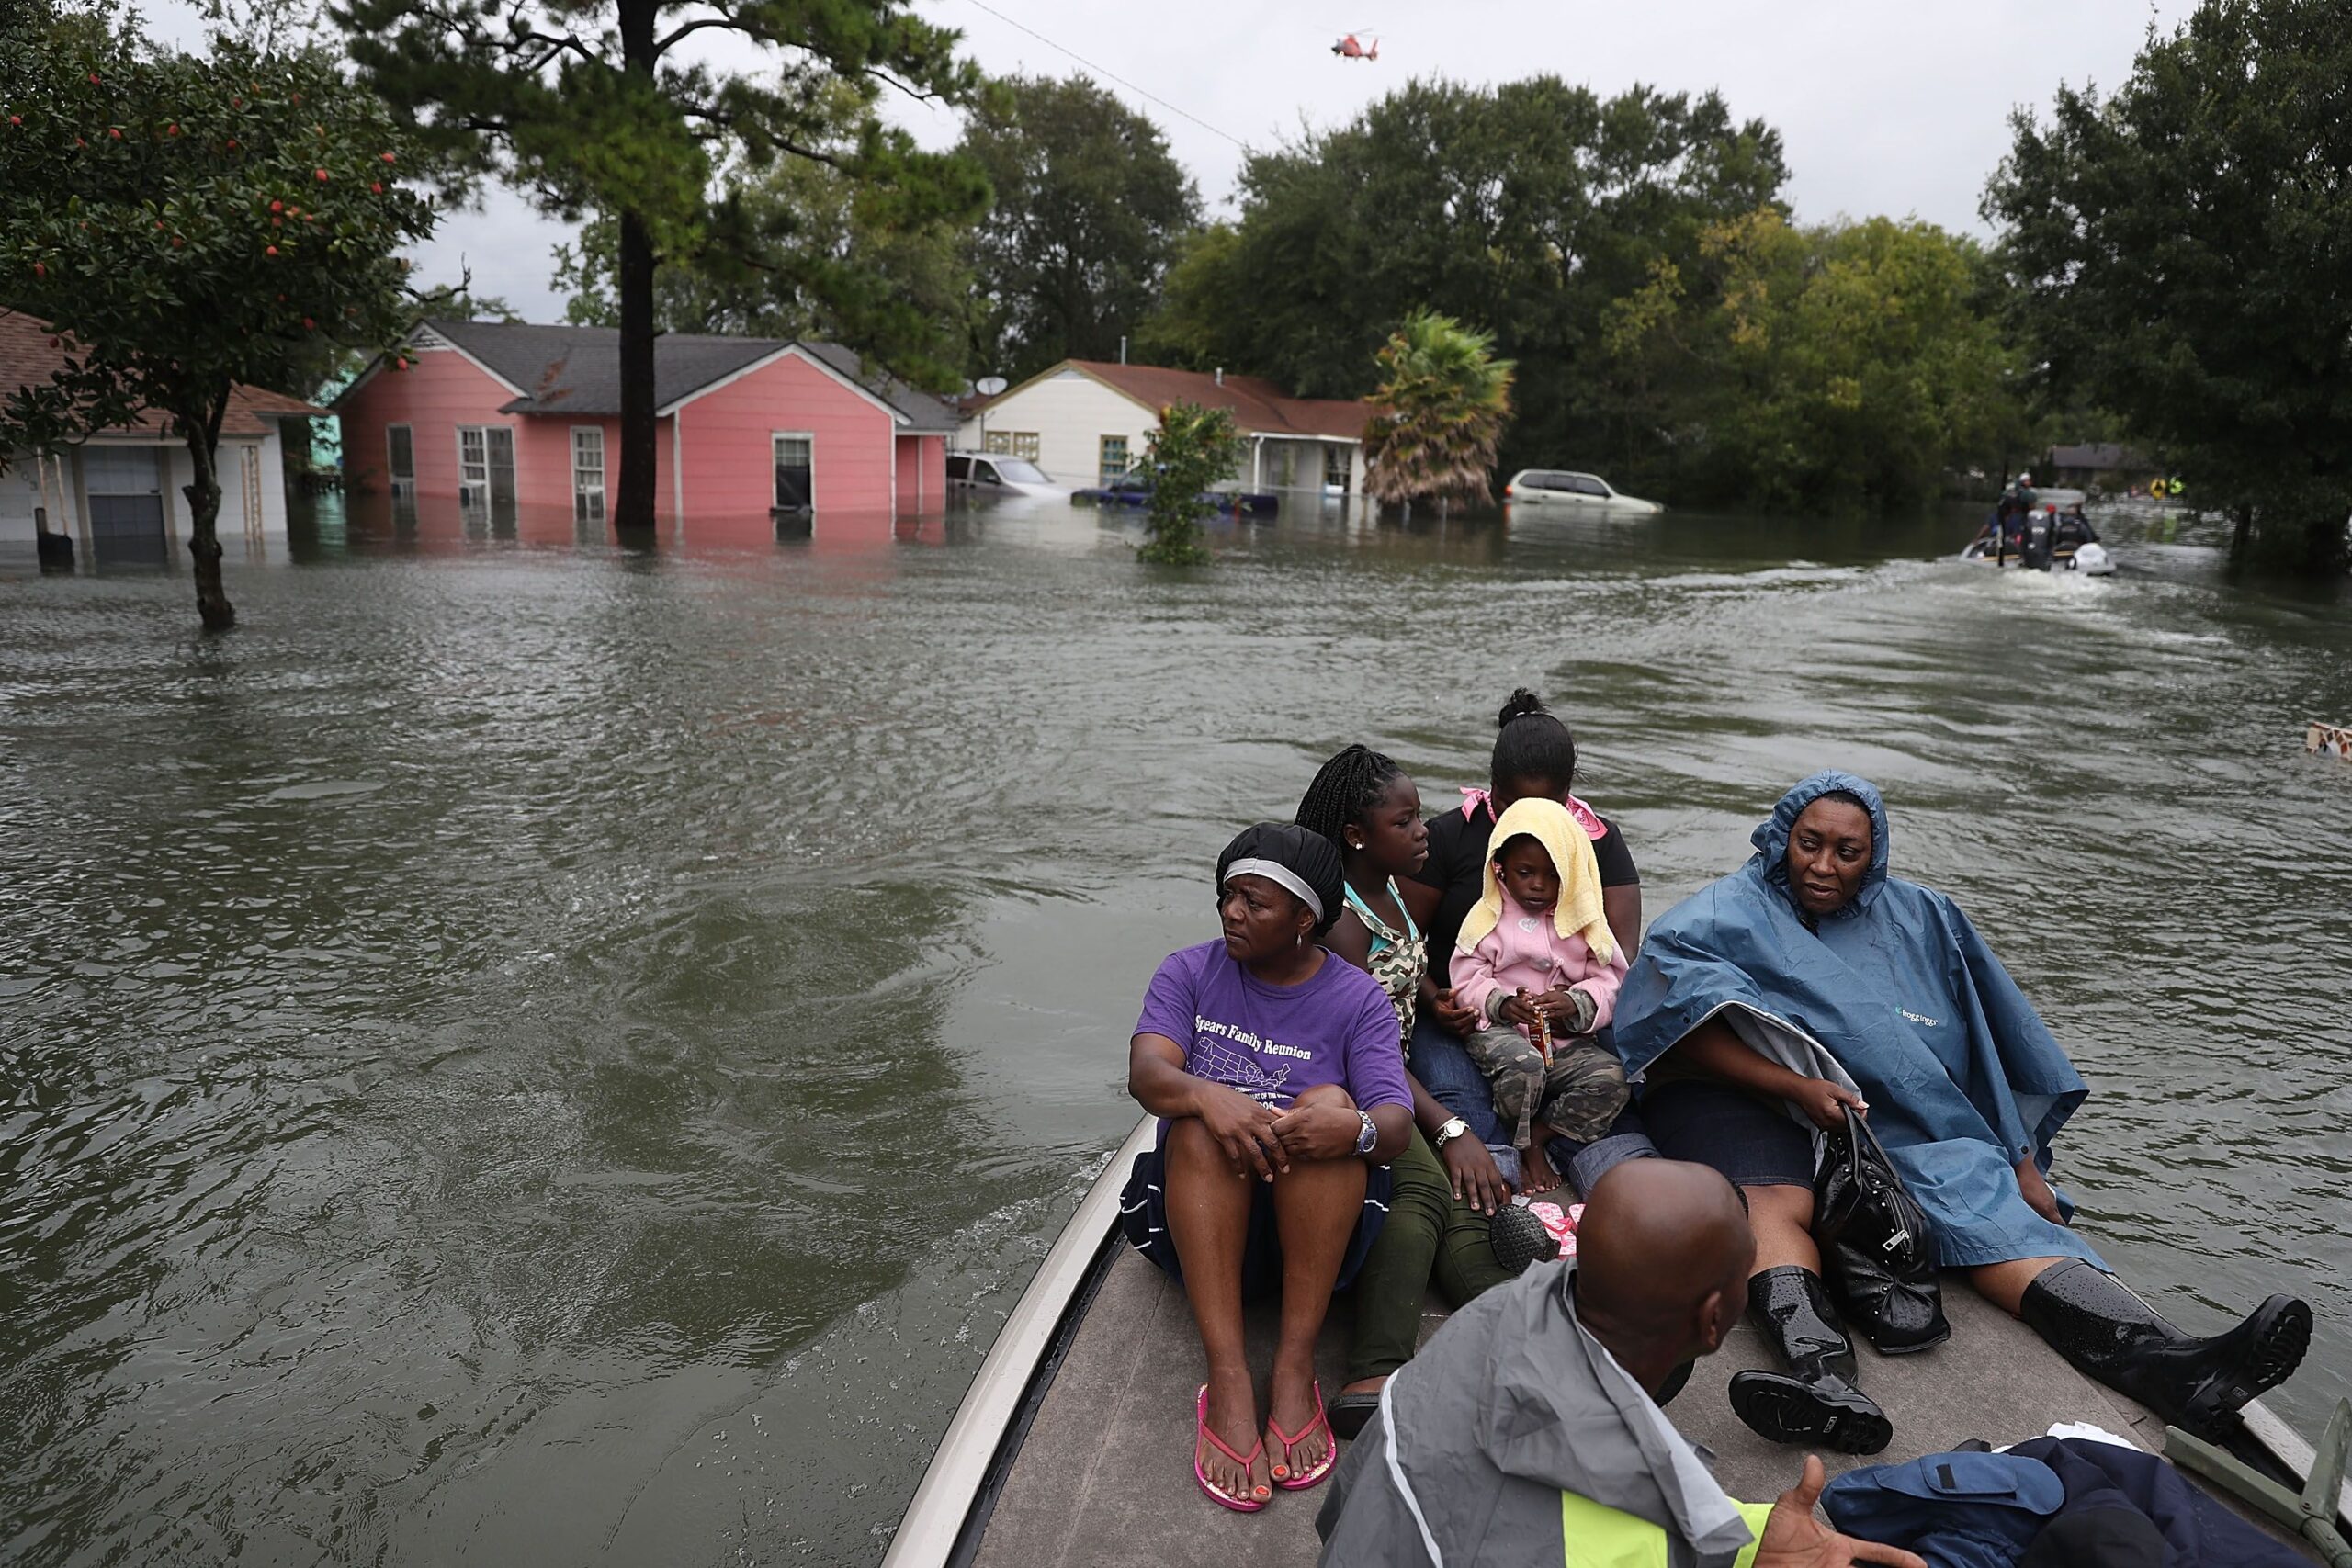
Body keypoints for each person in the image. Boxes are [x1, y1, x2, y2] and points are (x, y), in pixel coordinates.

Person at [1615, 773, 2311, 1457]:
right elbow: (1672, 1020)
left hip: (1891, 1120)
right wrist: (1792, 1087)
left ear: (1875, 854)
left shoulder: (1924, 919)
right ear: (1780, 837)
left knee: (1988, 1207)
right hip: (1758, 1100)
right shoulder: (1722, 916)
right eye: (1808, 843)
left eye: (1846, 852)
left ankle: (2169, 1363)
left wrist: (2020, 1158)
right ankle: (1821, 1376)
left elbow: (1984, 1042)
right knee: (1773, 1200)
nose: (1823, 866)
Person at [1314, 1159, 1928, 1568]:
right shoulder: (1598, 1546)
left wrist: (1745, 1540)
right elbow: (1603, 1535)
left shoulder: (1493, 1318)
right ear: (1715, 1320)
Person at [1121, 821, 1416, 1510]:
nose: (1232, 911)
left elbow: (1395, 1126)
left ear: (1304, 920)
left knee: (1329, 1107)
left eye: (1255, 902)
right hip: (1198, 1228)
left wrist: (1356, 1126)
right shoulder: (1189, 971)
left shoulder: (1358, 999)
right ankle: (1228, 1378)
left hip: (1310, 1236)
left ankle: (1291, 1367)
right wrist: (1207, 1095)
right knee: (1196, 1130)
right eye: (1229, 895)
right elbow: (1146, 1072)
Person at [1292, 745, 1515, 1442]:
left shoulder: (1387, 886)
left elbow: (1402, 955)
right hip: (1348, 1078)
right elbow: (1366, 1041)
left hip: (1397, 1063)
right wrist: (1449, 1126)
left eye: (1419, 816)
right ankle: (1375, 1369)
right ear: (1357, 834)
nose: (1425, 831)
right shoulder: (1339, 923)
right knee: (1421, 1184)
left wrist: (1430, 993)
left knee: (1467, 1201)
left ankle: (1525, 1329)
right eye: (1407, 819)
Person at [1405, 688, 1650, 1195]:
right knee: (1465, 1097)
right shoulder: (1452, 837)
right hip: (1466, 1013)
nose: (1529, 818)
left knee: (1619, 1085)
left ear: (1567, 795)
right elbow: (1402, 938)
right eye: (1514, 804)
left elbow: (1616, 961)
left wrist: (1576, 1004)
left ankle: (1576, 1156)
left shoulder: (1596, 844)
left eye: (1547, 805)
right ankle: (1498, 1177)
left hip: (1568, 1020)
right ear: (1493, 789)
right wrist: (1440, 1001)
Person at [1451, 797, 1632, 1195]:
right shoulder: (1488, 916)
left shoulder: (1584, 921)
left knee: (1613, 1078)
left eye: (1552, 876)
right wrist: (1500, 1002)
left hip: (1564, 1040)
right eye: (1525, 873)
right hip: (1503, 1033)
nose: (1538, 885)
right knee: (1526, 1066)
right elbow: (1464, 977)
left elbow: (1612, 979)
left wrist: (1577, 1003)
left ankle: (1542, 1134)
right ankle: (1522, 1148)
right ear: (1500, 868)